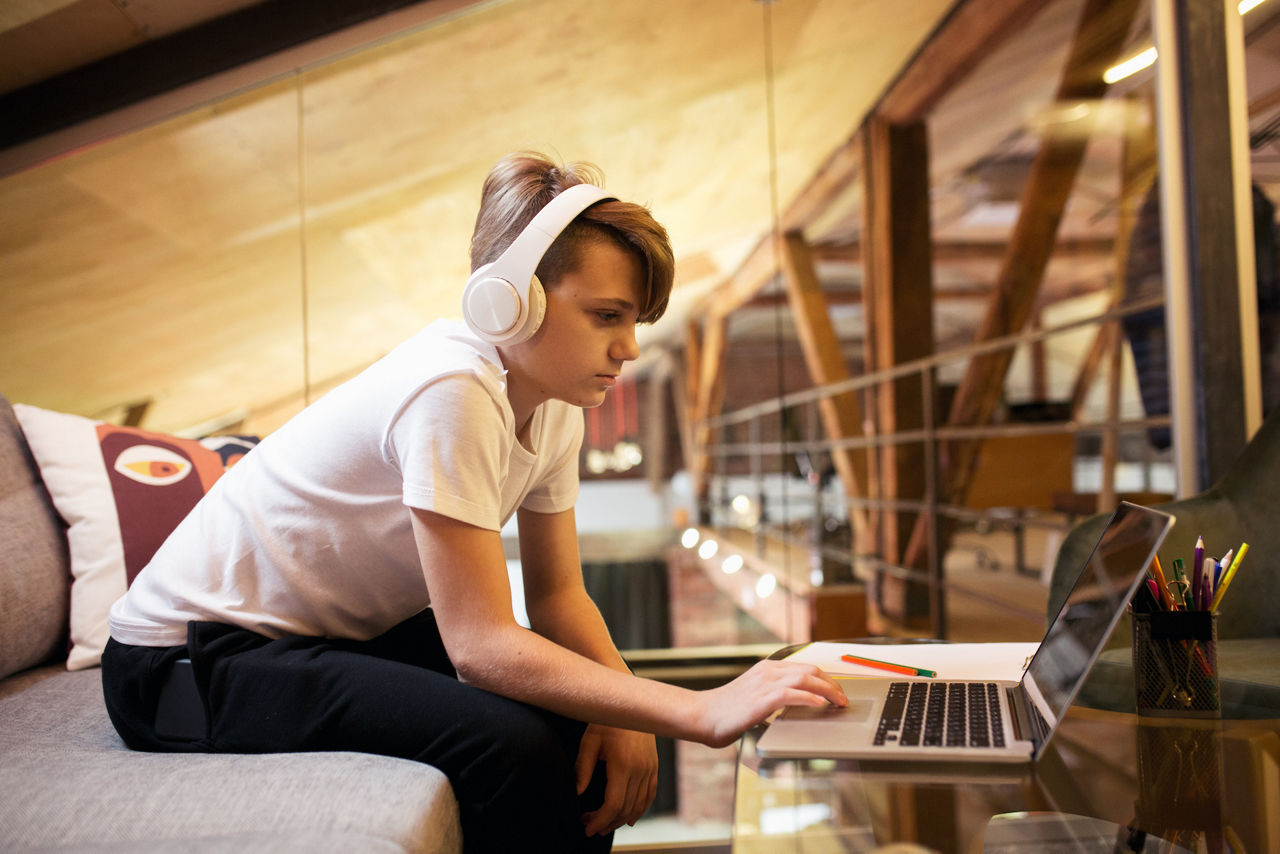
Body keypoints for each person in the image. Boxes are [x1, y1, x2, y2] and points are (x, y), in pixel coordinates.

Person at [101, 151, 847, 853]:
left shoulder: (555, 405)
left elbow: (559, 598)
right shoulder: (450, 390)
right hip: (181, 668)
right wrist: (697, 710)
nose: (630, 349)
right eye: (606, 316)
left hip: (310, 639)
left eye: (634, 322)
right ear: (510, 303)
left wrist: (623, 709)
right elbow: (480, 646)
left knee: (567, 719)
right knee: (511, 748)